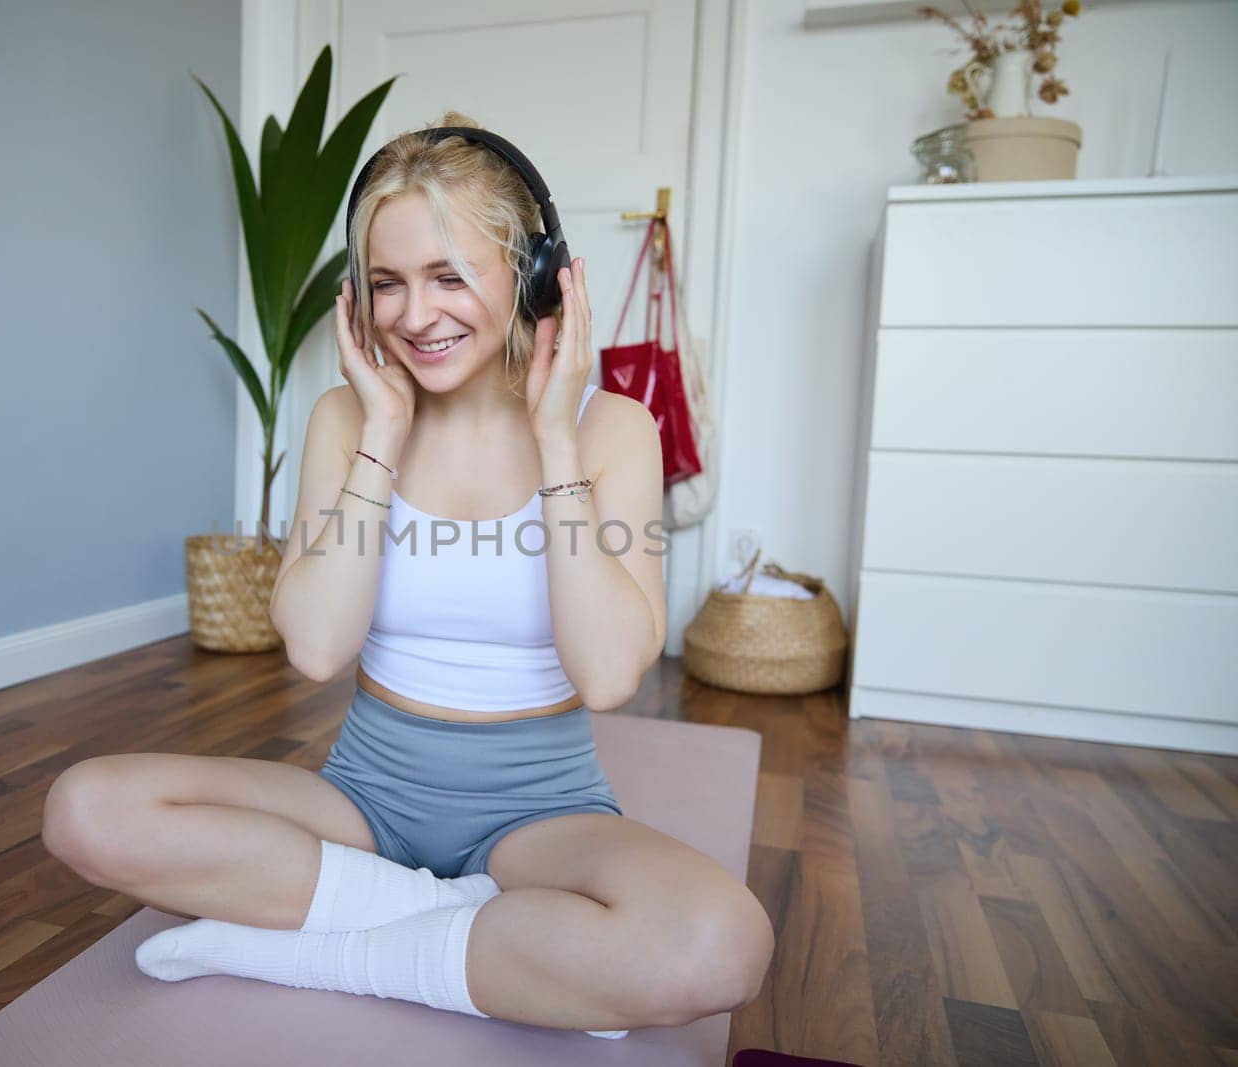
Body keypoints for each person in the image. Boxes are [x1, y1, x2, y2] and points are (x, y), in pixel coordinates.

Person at [42, 113, 773, 1040]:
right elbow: (313, 646)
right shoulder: (348, 418)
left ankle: (328, 945)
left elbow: (609, 674)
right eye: (386, 283)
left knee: (720, 944)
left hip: (539, 816)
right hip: (363, 799)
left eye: (450, 276)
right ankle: (471, 942)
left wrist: (555, 437)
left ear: (537, 276)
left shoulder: (611, 428)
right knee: (86, 810)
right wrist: (381, 434)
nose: (415, 315)